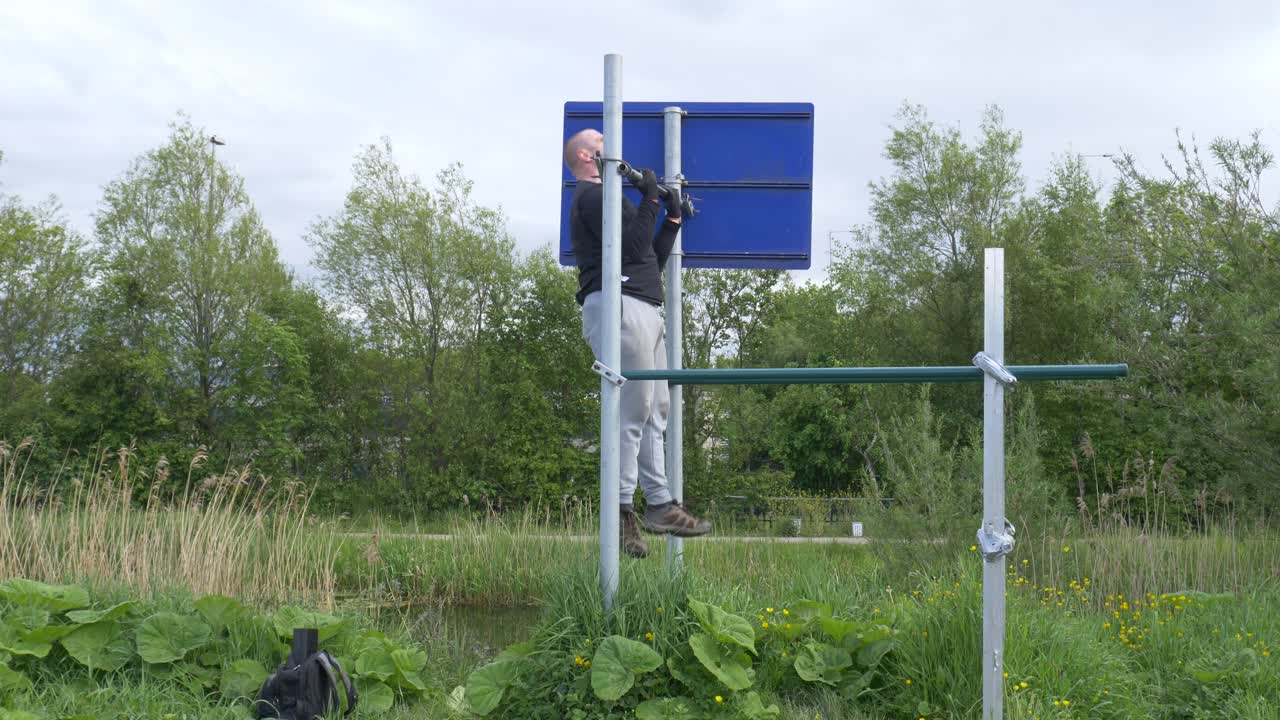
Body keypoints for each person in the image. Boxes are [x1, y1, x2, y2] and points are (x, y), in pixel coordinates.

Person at [564, 128, 712, 558]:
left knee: (655, 409)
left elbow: (647, 258)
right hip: (619, 306)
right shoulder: (593, 198)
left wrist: (671, 218)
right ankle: (622, 511)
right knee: (633, 409)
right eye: (606, 142)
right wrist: (649, 197)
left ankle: (660, 502)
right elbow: (630, 244)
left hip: (643, 304)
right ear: (590, 156)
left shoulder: (610, 201)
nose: (618, 150)